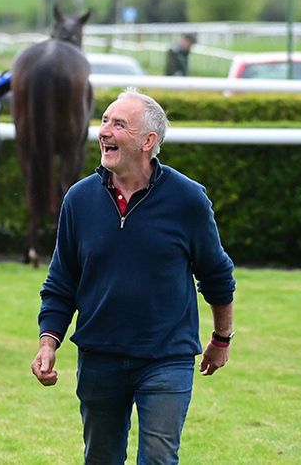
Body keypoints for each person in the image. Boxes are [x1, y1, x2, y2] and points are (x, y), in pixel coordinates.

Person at [31, 88, 236, 464]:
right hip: (99, 356)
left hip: (166, 357)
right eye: (105, 120)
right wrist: (48, 342)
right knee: (102, 458)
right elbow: (62, 282)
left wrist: (222, 337)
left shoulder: (188, 199)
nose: (104, 131)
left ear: (148, 141)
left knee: (158, 458)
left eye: (118, 124)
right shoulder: (78, 199)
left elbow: (217, 274)